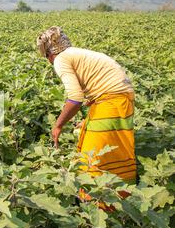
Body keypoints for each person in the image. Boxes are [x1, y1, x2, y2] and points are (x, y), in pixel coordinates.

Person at [37, 26, 137, 185]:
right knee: (112, 148)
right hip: (121, 96)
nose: (48, 61)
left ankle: (100, 202)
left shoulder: (60, 59)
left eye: (46, 57)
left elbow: (75, 98)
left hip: (112, 99)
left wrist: (58, 126)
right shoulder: (76, 53)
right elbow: (97, 81)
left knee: (93, 156)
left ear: (49, 53)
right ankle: (125, 194)